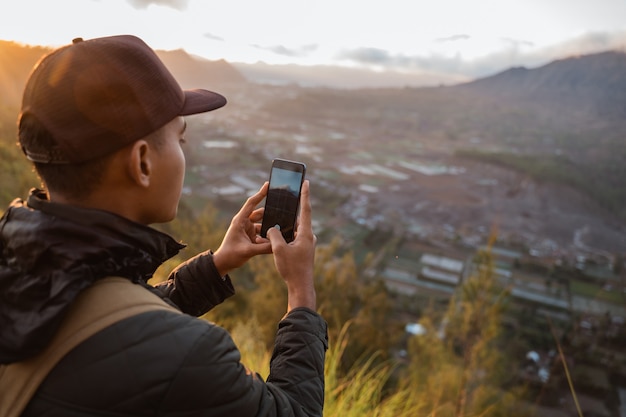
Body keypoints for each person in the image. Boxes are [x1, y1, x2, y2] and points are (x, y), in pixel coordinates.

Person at [0, 35, 327, 416]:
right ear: (142, 162)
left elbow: (100, 326)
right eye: (180, 139)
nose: (184, 153)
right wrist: (301, 292)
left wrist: (217, 264)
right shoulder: (191, 357)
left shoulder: (21, 267)